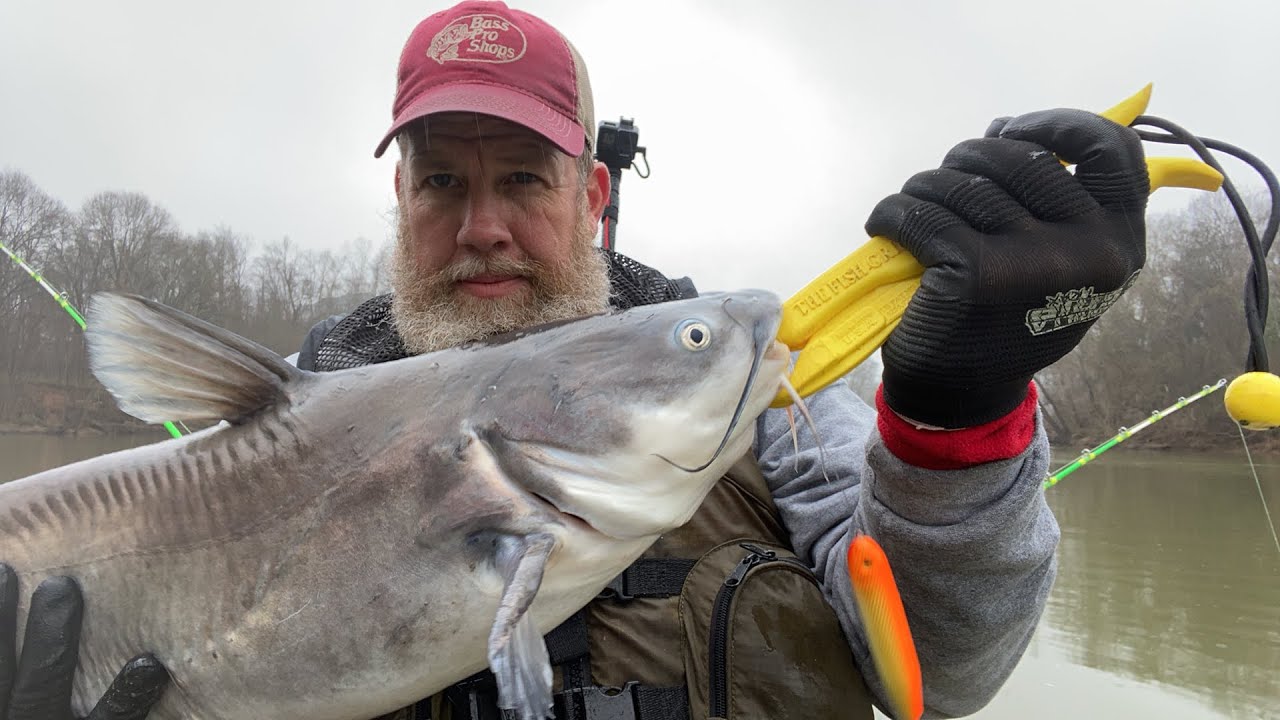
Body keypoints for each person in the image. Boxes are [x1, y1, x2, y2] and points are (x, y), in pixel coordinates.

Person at [0, 1, 1154, 718]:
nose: (482, 224)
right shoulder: (266, 423)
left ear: (592, 196)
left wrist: (960, 420)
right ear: (399, 201)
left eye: (522, 178)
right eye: (443, 180)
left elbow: (943, 673)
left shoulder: (767, 401)